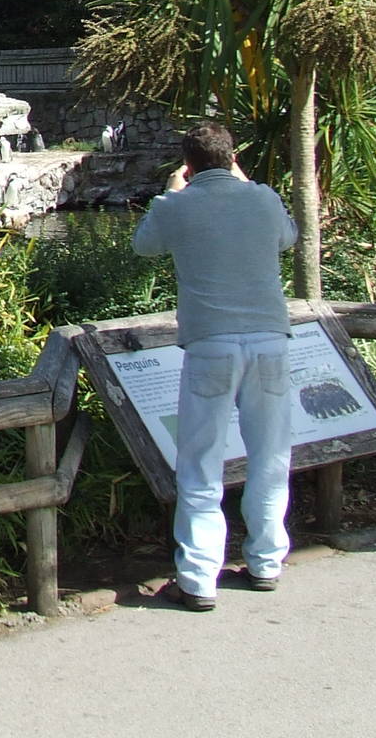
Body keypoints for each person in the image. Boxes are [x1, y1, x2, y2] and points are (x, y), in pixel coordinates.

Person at [131, 121, 298, 612]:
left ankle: (198, 577)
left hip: (211, 345)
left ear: (189, 164)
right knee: (271, 456)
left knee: (201, 463)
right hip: (270, 340)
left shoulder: (177, 206)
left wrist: (168, 194)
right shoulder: (263, 199)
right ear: (232, 158)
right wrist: (247, 186)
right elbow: (287, 237)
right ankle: (266, 562)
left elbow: (145, 245)